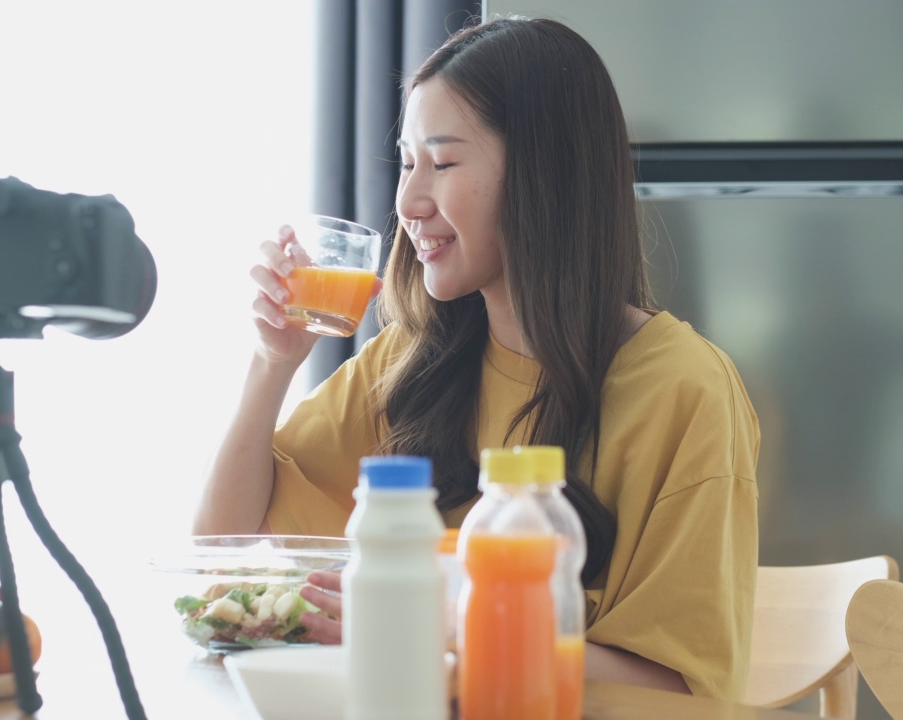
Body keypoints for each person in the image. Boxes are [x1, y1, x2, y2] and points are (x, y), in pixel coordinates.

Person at [193, 15, 759, 701]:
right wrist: (271, 361)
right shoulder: (412, 361)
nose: (407, 202)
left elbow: (678, 687)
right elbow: (221, 550)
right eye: (406, 163)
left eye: (444, 162)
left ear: (542, 175)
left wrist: (424, 630)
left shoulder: (683, 391)